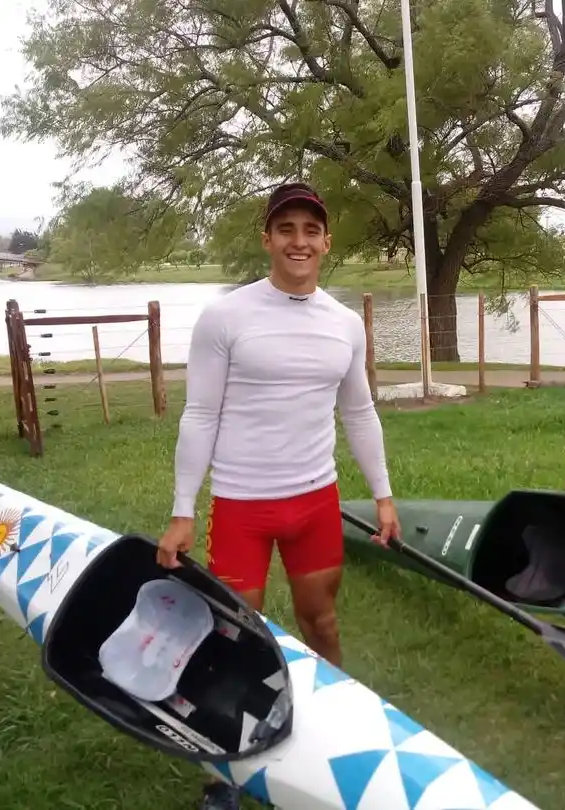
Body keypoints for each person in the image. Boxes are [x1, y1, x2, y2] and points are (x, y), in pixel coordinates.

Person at [156, 182, 400, 810]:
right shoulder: (226, 317)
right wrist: (184, 510)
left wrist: (384, 496)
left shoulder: (344, 324)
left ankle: (339, 733)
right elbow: (199, 414)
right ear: (267, 239)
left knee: (321, 621)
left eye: (310, 230)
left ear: (326, 241)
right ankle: (222, 775)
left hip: (315, 503)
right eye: (286, 229)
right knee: (233, 637)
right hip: (242, 507)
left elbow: (361, 412)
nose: (299, 241)